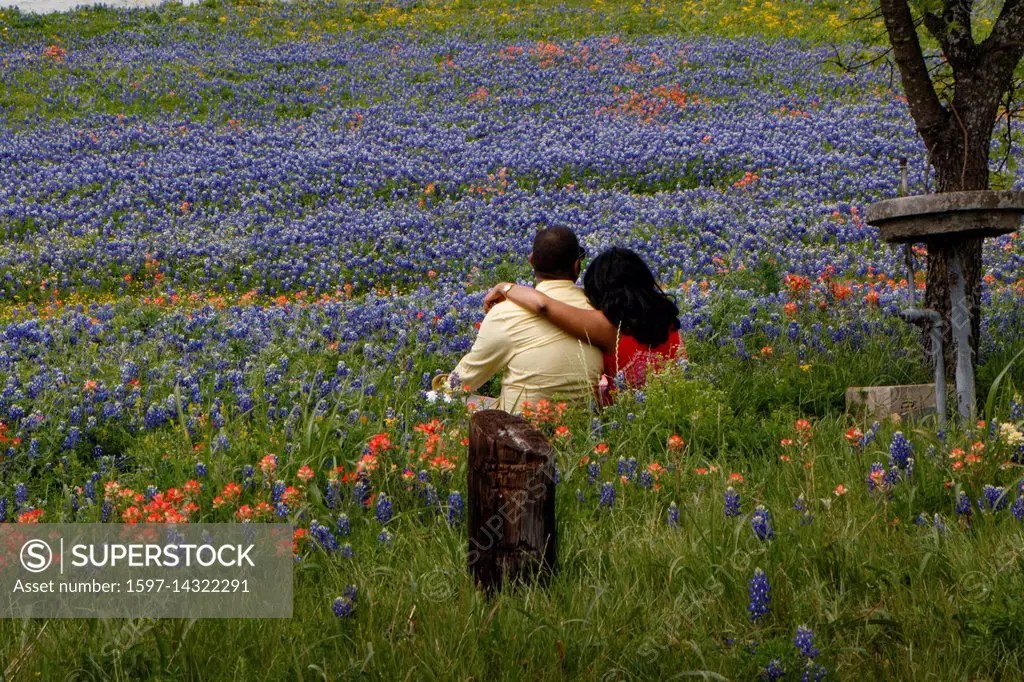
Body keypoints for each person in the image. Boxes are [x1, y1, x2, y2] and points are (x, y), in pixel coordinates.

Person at [483, 247, 684, 402]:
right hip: (673, 410)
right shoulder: (668, 321)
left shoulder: (608, 328)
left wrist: (505, 287)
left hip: (623, 422)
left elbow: (544, 306)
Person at [445, 226, 603, 414]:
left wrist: (439, 387)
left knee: (444, 399)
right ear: (577, 266)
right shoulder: (599, 311)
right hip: (584, 425)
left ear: (531, 260)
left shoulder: (505, 313)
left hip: (517, 426)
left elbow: (462, 382)